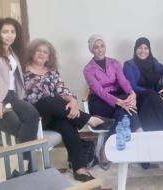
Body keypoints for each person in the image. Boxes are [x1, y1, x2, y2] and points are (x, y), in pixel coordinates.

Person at [24, 38, 113, 182]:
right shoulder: (22, 71)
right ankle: (89, 120)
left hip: (53, 114)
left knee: (67, 125)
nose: (41, 54)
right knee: (48, 100)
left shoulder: (52, 71)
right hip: (34, 117)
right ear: (32, 52)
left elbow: (62, 90)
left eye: (45, 52)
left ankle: (80, 168)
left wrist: (72, 101)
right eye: (38, 50)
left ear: (49, 56)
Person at [0, 17, 39, 172]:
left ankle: (23, 166)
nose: (9, 35)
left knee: (33, 116)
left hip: (11, 96)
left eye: (12, 32)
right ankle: (26, 166)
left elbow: (14, 78)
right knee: (19, 127)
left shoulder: (12, 52)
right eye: (5, 32)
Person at [83, 35, 142, 169]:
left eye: (102, 46)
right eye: (96, 47)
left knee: (123, 112)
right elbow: (99, 91)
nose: (100, 49)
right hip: (99, 101)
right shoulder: (87, 69)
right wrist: (119, 102)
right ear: (91, 50)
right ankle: (139, 132)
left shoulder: (114, 62)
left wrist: (132, 92)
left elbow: (123, 81)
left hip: (117, 97)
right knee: (124, 110)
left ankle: (105, 149)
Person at [123, 37, 163, 131]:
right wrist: (153, 94)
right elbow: (133, 87)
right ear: (135, 49)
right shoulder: (129, 65)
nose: (143, 51)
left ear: (149, 50)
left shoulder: (154, 62)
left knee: (150, 106)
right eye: (140, 47)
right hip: (137, 98)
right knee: (151, 96)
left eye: (146, 48)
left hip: (154, 99)